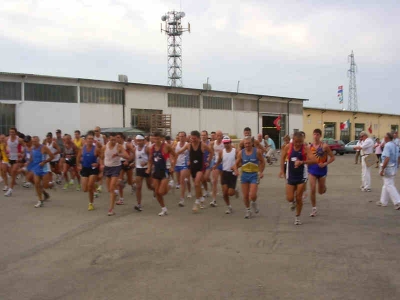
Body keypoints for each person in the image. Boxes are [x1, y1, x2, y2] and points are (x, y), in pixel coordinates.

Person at [279, 131, 317, 225]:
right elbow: (282, 158)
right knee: (289, 198)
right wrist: (281, 171)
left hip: (301, 175)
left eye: (300, 142)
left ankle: (297, 217)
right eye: (296, 142)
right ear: (293, 140)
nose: (298, 144)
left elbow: (314, 160)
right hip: (290, 174)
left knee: (299, 197)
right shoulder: (288, 147)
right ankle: (293, 202)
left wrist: (302, 162)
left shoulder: (305, 148)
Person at [177, 130, 212, 212]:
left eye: (194, 138)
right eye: (191, 138)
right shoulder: (188, 146)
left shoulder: (202, 145)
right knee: (197, 185)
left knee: (196, 183)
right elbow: (179, 152)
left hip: (200, 168)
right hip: (192, 168)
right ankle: (201, 198)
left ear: (198, 138)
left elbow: (211, 151)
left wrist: (208, 161)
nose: (193, 140)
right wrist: (172, 155)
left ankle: (197, 201)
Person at [235, 136, 265, 219]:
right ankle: (248, 210)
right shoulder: (241, 153)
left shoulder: (257, 152)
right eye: (245, 144)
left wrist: (261, 172)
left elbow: (262, 162)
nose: (247, 145)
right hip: (244, 175)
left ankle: (254, 202)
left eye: (248, 143)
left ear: (252, 143)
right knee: (245, 196)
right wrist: (236, 170)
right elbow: (236, 164)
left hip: (254, 175)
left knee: (252, 195)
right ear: (243, 144)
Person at [146, 132, 175, 216]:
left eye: (158, 139)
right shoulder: (152, 148)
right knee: (157, 192)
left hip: (165, 171)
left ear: (162, 138)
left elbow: (175, 155)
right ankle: (164, 209)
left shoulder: (166, 146)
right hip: (156, 171)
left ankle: (170, 185)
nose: (156, 140)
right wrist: (148, 168)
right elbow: (150, 160)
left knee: (161, 192)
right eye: (154, 139)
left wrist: (172, 166)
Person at [307, 129, 335, 217]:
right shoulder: (309, 147)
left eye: (317, 134)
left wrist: (325, 163)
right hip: (312, 170)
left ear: (320, 136)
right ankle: (314, 208)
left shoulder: (325, 146)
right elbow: (307, 159)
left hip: (322, 170)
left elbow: (332, 157)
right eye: (314, 134)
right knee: (312, 189)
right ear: (312, 135)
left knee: (321, 191)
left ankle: (323, 187)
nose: (315, 136)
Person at [101, 133, 130, 216]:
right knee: (109, 190)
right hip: (107, 168)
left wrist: (118, 154)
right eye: (111, 139)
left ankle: (111, 209)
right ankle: (120, 183)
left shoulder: (119, 146)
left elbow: (127, 156)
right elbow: (101, 157)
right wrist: (101, 165)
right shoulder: (104, 147)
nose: (113, 141)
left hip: (116, 168)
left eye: (115, 139)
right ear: (108, 139)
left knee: (112, 187)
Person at [77, 133, 102, 211]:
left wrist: (98, 164)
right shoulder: (82, 149)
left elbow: (102, 158)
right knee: (85, 189)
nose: (90, 140)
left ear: (93, 140)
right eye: (89, 139)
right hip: (85, 168)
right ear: (86, 140)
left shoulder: (96, 149)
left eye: (91, 139)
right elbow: (78, 158)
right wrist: (78, 165)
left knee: (90, 186)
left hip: (93, 169)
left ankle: (90, 204)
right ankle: (95, 185)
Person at [214, 136, 238, 214]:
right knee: (224, 193)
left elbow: (240, 161)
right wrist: (215, 166)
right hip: (224, 173)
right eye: (225, 143)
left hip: (232, 174)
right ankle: (229, 207)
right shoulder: (221, 152)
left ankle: (235, 191)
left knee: (230, 193)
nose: (226, 144)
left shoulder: (235, 151)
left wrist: (236, 168)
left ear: (230, 142)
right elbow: (219, 161)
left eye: (228, 143)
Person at [376, 132, 400, 210]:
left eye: (384, 137)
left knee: (389, 184)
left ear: (387, 138)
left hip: (388, 167)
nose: (384, 138)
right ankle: (383, 201)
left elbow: (387, 158)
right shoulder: (395, 145)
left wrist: (382, 169)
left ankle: (397, 202)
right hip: (394, 166)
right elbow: (399, 157)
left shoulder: (387, 145)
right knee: (387, 184)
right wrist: (397, 166)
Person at [31, 136, 55, 208]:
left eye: (35, 141)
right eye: (33, 141)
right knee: (37, 184)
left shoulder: (44, 147)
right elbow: (32, 159)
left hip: (44, 169)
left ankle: (51, 184)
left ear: (38, 141)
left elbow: (52, 156)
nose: (34, 142)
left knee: (45, 186)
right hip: (36, 169)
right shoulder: (33, 149)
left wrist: (44, 162)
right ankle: (40, 200)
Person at [133, 134, 152, 212]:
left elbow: (151, 159)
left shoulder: (147, 149)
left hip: (146, 169)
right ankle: (139, 204)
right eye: (137, 141)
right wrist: (129, 161)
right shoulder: (135, 148)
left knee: (150, 186)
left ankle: (156, 191)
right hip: (139, 169)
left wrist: (146, 163)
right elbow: (134, 157)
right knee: (138, 187)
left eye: (140, 141)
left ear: (143, 141)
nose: (138, 142)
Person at [4, 128, 24, 197]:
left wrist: (21, 153)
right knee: (12, 174)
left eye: (13, 132)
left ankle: (10, 190)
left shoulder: (19, 139)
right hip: (10, 158)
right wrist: (6, 153)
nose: (11, 133)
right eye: (10, 132)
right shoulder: (7, 139)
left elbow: (25, 147)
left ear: (15, 133)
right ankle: (23, 170)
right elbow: (4, 147)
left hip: (17, 159)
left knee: (13, 172)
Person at [173, 131, 192, 206]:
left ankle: (182, 198)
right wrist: (172, 160)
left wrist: (190, 160)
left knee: (182, 180)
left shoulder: (188, 145)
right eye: (180, 136)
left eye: (182, 136)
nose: (181, 138)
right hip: (177, 164)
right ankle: (186, 187)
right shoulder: (175, 144)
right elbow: (171, 152)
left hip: (185, 164)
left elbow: (192, 153)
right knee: (179, 181)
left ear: (185, 137)